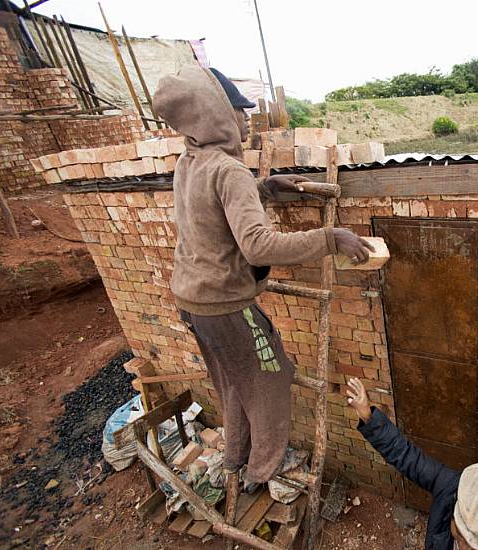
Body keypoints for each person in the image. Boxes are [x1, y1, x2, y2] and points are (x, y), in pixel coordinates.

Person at [152, 65, 373, 490]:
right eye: (238, 109)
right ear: (213, 114)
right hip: (226, 306)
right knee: (271, 380)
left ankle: (236, 456)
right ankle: (263, 471)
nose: (247, 118)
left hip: (193, 302)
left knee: (234, 382)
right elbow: (258, 246)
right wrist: (332, 237)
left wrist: (266, 187)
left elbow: (211, 207)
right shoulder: (229, 171)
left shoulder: (189, 161)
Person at [346, 378, 478, 550]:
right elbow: (408, 457)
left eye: (475, 545)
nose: (463, 547)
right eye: (460, 534)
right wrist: (368, 415)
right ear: (456, 504)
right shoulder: (449, 487)